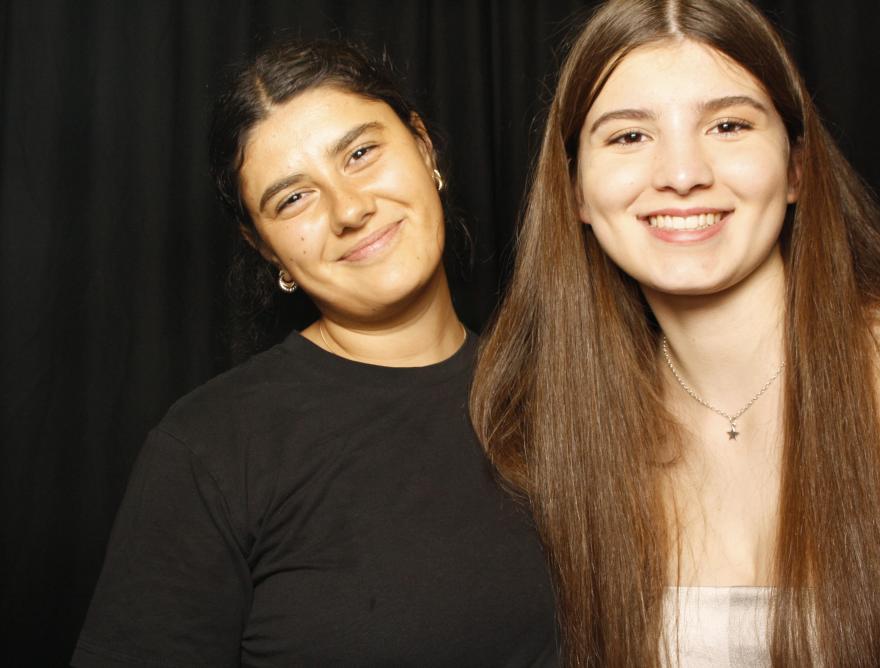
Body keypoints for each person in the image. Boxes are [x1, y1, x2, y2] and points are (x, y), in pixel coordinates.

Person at [470, 0, 880, 665]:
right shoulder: (573, 441)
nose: (682, 174)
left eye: (728, 125)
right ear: (575, 190)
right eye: (629, 136)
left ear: (797, 167)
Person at [72, 38, 558, 667]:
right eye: (293, 198)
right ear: (266, 247)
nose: (350, 209)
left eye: (360, 154)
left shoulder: (558, 392)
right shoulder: (212, 450)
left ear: (423, 146)